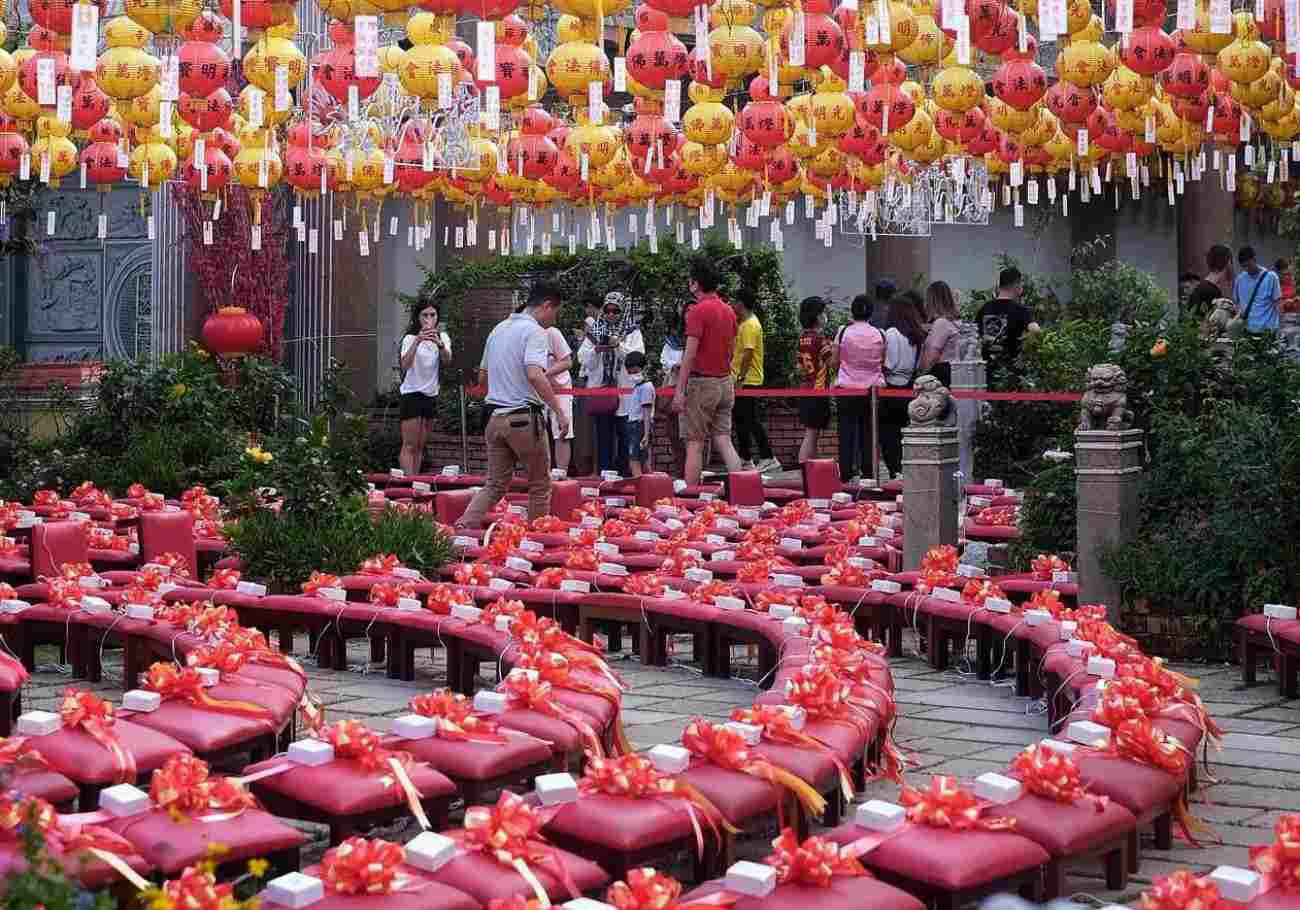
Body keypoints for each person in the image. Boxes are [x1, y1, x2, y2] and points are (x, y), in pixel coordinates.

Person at [456, 282, 568, 529]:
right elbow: (535, 375)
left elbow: (483, 377)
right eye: (556, 311)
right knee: (539, 485)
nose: (555, 318)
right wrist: (559, 411)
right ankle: (536, 544)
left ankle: (463, 526)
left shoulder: (498, 329)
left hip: (494, 419)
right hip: (523, 418)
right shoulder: (535, 332)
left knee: (494, 484)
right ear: (547, 305)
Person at [671, 256, 745, 486]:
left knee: (694, 443)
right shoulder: (729, 311)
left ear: (695, 284)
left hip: (701, 383)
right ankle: (742, 489)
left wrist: (679, 391)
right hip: (724, 382)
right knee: (724, 439)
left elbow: (689, 355)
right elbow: (732, 350)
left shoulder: (698, 312)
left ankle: (691, 500)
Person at [576, 292, 645, 474]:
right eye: (608, 311)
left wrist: (617, 345)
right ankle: (604, 475)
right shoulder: (596, 330)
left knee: (625, 436)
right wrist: (596, 350)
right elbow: (583, 359)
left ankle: (624, 476)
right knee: (603, 437)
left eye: (616, 311)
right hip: (602, 392)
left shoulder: (632, 331)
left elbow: (636, 358)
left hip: (625, 392)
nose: (611, 314)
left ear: (622, 311)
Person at [829, 293, 885, 482]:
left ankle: (846, 474)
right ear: (871, 313)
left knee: (846, 432)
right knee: (869, 432)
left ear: (852, 311)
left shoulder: (843, 331)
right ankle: (869, 473)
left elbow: (835, 361)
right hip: (872, 391)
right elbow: (883, 362)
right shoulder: (880, 333)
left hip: (846, 388)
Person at [397, 301, 451, 476]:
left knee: (421, 444)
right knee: (410, 444)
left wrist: (439, 344)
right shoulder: (410, 338)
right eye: (425, 315)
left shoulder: (442, 337)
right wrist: (418, 340)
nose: (429, 319)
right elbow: (404, 365)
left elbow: (447, 360)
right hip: (412, 393)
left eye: (432, 315)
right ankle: (409, 482)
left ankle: (415, 480)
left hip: (430, 393)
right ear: (418, 318)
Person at [730, 289, 780, 474]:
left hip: (748, 379)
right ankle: (745, 458)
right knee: (741, 420)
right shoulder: (742, 324)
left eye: (734, 302)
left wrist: (741, 378)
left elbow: (749, 353)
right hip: (739, 379)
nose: (732, 305)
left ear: (741, 303)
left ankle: (768, 457)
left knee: (750, 419)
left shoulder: (751, 324)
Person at [879, 291, 927, 478]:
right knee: (902, 430)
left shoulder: (891, 333)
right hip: (908, 387)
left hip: (891, 387)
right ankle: (903, 467)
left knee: (888, 432)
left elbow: (889, 364)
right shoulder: (915, 335)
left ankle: (894, 469)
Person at [976, 266, 1040, 375]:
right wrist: (1024, 355)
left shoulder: (984, 308)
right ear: (1017, 285)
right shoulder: (1021, 310)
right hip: (1011, 372)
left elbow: (975, 336)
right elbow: (1036, 331)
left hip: (986, 370)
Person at [795, 296, 832, 465]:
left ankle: (812, 472)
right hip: (818, 391)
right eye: (824, 312)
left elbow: (799, 367)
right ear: (818, 316)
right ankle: (804, 471)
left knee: (812, 433)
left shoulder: (802, 338)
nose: (826, 316)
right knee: (811, 434)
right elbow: (832, 361)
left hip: (805, 389)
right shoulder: (820, 339)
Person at [660, 300, 689, 477]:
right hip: (673, 387)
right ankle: (680, 471)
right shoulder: (672, 341)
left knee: (691, 435)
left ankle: (693, 472)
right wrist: (674, 366)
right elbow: (664, 360)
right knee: (675, 433)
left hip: (693, 388)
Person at [618, 351, 655, 477]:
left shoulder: (646, 388)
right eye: (630, 373)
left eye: (635, 372)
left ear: (644, 368)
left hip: (639, 426)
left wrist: (645, 433)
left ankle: (639, 487)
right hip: (635, 425)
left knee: (634, 460)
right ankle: (649, 485)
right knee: (642, 459)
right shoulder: (638, 387)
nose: (633, 375)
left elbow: (646, 411)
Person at [544, 322, 574, 475]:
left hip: (560, 386)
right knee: (537, 430)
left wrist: (546, 374)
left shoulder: (552, 332)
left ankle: (562, 474)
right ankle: (542, 474)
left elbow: (568, 362)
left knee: (562, 431)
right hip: (537, 387)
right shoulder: (523, 334)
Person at [919, 280, 960, 388]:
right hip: (953, 373)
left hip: (940, 375)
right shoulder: (954, 322)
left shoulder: (941, 323)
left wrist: (920, 374)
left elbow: (933, 354)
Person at [1232, 246, 1281, 334]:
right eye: (1244, 266)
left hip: (1268, 331)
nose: (1247, 269)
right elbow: (1236, 302)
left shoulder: (1271, 277)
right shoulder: (1239, 279)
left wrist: (1280, 328)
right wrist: (1239, 314)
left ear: (1254, 259)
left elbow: (1277, 304)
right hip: (1247, 331)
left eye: (1248, 265)